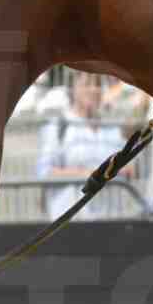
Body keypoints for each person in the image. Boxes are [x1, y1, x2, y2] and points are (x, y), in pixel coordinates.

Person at [35, 71, 139, 220]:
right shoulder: (58, 127)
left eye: (97, 84)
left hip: (111, 222)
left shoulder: (111, 128)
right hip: (70, 223)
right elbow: (44, 172)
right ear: (73, 88)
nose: (93, 90)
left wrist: (127, 170)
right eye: (87, 84)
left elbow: (130, 168)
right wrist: (90, 174)